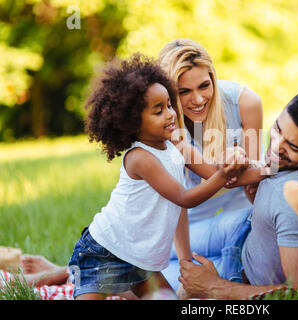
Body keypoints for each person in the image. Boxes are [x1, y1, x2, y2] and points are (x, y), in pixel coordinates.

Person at [67, 53, 248, 300]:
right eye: (158, 110)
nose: (171, 114)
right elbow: (185, 198)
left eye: (169, 105)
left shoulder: (176, 145)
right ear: (132, 123)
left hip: (143, 260)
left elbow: (216, 176)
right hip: (104, 253)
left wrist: (252, 165)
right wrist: (223, 175)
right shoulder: (140, 158)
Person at [177, 85, 298, 299]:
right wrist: (261, 187)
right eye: (278, 129)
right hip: (245, 229)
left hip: (238, 276)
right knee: (161, 244)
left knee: (155, 278)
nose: (276, 147)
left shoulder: (293, 203)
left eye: (293, 147)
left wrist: (214, 287)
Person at [157, 38, 264, 290]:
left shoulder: (245, 103)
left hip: (240, 218)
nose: (197, 99)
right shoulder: (164, 123)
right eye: (183, 92)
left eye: (204, 86)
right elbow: (215, 179)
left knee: (249, 240)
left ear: (213, 78)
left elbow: (253, 182)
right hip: (187, 232)